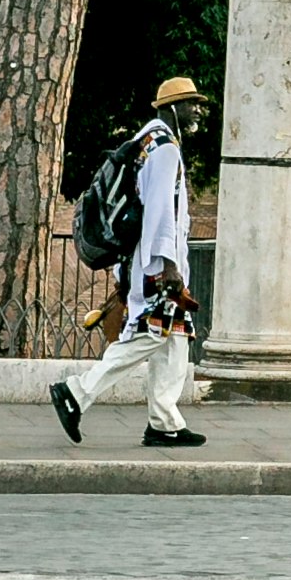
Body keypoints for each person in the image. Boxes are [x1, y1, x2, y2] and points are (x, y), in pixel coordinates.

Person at [49, 76, 207, 449]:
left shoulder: (145, 141)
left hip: (145, 258)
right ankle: (76, 392)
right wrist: (168, 265)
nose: (197, 109)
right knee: (148, 335)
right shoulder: (165, 148)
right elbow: (160, 210)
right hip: (156, 263)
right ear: (172, 108)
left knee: (176, 337)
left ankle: (164, 422)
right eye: (191, 103)